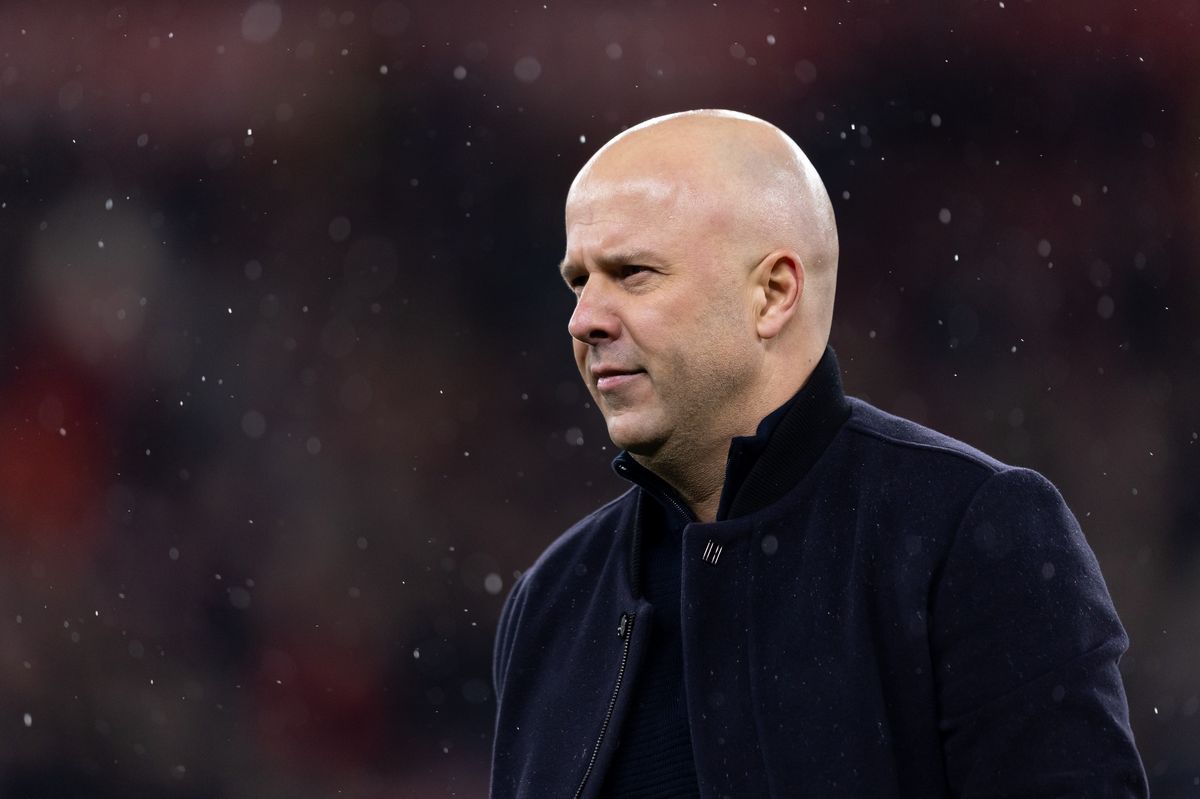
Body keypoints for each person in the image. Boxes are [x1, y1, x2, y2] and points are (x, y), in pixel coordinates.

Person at [489, 110, 1148, 798]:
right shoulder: (554, 599)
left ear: (773, 294)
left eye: (632, 273)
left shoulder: (971, 534)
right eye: (578, 281)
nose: (584, 319)